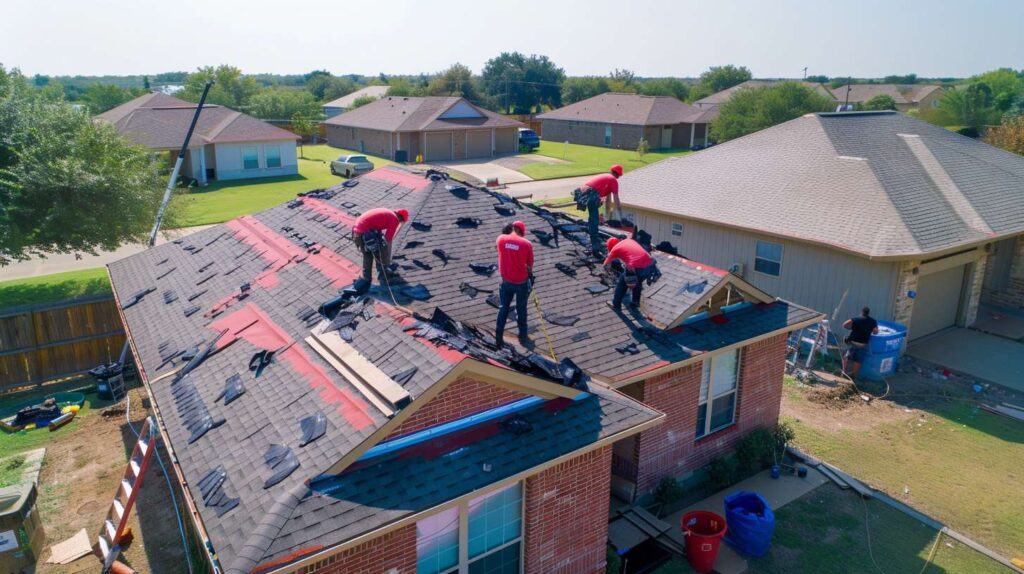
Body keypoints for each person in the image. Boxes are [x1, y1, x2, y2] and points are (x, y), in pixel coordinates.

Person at [495, 221, 534, 347]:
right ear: (520, 231)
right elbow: (530, 265)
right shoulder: (526, 244)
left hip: (506, 282)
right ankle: (523, 337)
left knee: (503, 308)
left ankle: (498, 336)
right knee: (521, 309)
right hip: (521, 283)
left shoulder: (501, 239)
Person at [352, 207, 409, 287]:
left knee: (368, 255)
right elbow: (388, 239)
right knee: (380, 252)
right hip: (365, 233)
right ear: (400, 218)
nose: (399, 223)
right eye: (401, 222)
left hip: (356, 232)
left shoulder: (388, 212)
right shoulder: (394, 219)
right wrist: (387, 260)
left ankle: (366, 278)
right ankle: (383, 276)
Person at [604, 237, 655, 313]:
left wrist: (605, 268)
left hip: (636, 265)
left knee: (621, 284)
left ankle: (616, 305)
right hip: (649, 264)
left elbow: (606, 263)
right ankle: (635, 302)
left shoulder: (615, 249)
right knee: (637, 282)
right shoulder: (628, 240)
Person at [580, 164, 624, 252]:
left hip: (583, 192)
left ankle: (594, 236)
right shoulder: (613, 180)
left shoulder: (607, 178)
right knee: (594, 218)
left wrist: (608, 213)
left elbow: (608, 200)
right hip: (590, 193)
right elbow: (616, 198)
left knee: (593, 215)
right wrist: (620, 211)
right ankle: (595, 243)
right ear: (618, 174)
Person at [842, 307, 879, 379]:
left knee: (846, 357)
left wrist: (851, 328)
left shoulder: (856, 319)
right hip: (862, 344)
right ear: (868, 313)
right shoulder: (873, 321)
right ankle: (853, 375)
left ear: (862, 312)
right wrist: (869, 330)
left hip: (852, 342)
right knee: (858, 360)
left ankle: (844, 372)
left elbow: (844, 325)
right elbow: (876, 332)